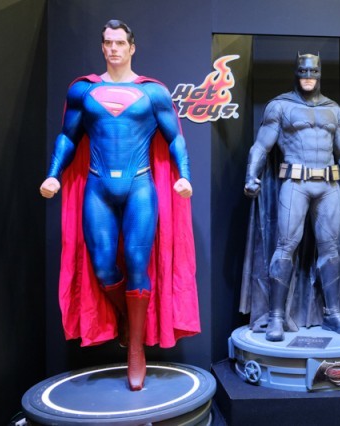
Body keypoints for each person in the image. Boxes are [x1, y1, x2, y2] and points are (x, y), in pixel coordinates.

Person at [40, 19, 199, 391]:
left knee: (138, 262)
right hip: (98, 187)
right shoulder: (84, 91)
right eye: (107, 43)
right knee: (102, 266)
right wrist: (53, 174)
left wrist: (185, 175)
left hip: (140, 186)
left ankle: (136, 349)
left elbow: (175, 138)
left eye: (119, 43)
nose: (113, 49)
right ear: (102, 47)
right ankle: (127, 321)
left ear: (132, 47)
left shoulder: (152, 93)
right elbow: (68, 136)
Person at [242, 53, 340, 342]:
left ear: (319, 73)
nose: (308, 76)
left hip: (328, 185)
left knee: (331, 250)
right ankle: (276, 317)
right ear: (296, 72)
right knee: (285, 246)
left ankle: (333, 314)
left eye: (313, 71)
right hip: (296, 183)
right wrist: (251, 175)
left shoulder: (333, 111)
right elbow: (261, 147)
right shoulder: (280, 106)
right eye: (303, 71)